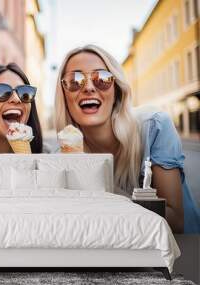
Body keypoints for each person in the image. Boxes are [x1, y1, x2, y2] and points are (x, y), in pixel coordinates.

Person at [54, 44, 200, 233]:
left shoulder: (154, 127)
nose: (89, 87)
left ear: (116, 91)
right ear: (64, 95)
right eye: (75, 80)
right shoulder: (62, 157)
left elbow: (175, 220)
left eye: (102, 79)